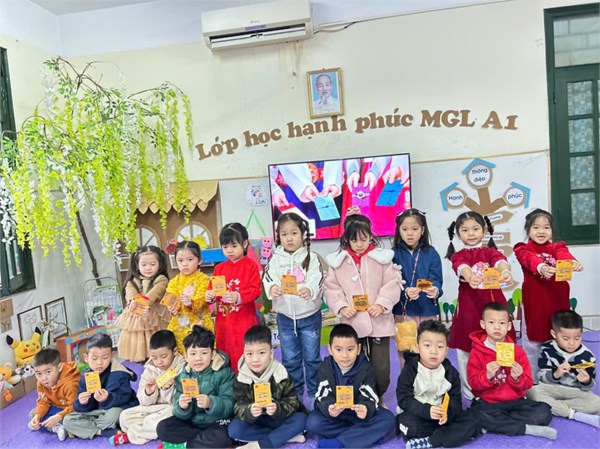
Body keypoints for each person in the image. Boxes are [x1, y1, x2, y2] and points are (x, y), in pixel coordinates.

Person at [324, 213, 402, 407]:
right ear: (347, 239)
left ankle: (379, 395)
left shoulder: (382, 259)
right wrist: (342, 306)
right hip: (352, 321)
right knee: (352, 361)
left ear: (370, 237)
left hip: (379, 320)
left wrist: (382, 303)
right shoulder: (338, 262)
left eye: (363, 239)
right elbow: (331, 288)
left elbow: (392, 283)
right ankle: (358, 397)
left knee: (381, 365)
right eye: (354, 240)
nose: (359, 244)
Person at [445, 211, 515, 398]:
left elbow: (500, 262)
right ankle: (471, 392)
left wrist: (505, 272)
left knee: (503, 343)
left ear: (484, 231)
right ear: (458, 234)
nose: (471, 234)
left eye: (475, 229)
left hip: (494, 305)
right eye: (465, 230)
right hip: (469, 307)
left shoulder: (490, 252)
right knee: (466, 347)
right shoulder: (458, 255)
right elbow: (462, 267)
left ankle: (507, 386)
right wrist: (470, 277)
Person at [467, 302, 556, 440]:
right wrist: (487, 375)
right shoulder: (476, 352)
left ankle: (498, 424)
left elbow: (528, 383)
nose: (497, 327)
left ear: (509, 326)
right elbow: (473, 383)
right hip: (489, 402)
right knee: (476, 414)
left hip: (515, 402)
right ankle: (525, 428)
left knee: (544, 412)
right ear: (483, 324)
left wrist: (517, 378)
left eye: (502, 323)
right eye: (491, 322)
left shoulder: (517, 351)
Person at [262, 212, 324, 405]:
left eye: (294, 233)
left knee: (312, 358)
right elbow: (268, 278)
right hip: (285, 318)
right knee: (290, 359)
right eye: (284, 234)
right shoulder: (274, 259)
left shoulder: (312, 257)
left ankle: (314, 394)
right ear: (278, 236)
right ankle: (295, 395)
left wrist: (309, 289)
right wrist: (272, 288)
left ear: (303, 234)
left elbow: (317, 278)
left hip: (309, 316)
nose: (289, 238)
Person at [514, 209, 584, 378]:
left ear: (552, 230)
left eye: (546, 227)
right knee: (533, 342)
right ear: (528, 230)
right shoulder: (523, 248)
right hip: (535, 304)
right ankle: (532, 379)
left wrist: (573, 263)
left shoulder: (557, 247)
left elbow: (564, 255)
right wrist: (542, 267)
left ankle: (559, 377)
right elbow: (529, 260)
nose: (541, 231)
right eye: (536, 227)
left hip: (558, 304)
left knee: (560, 339)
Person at [306, 323, 395, 448]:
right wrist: (329, 407)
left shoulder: (366, 368)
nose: (345, 355)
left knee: (388, 419)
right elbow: (322, 395)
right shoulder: (325, 368)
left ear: (358, 349)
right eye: (338, 350)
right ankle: (365, 436)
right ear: (330, 349)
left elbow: (370, 395)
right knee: (312, 422)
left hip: (358, 415)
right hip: (337, 415)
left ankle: (340, 442)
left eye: (350, 349)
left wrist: (365, 408)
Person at [396, 320, 480, 449]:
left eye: (440, 347)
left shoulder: (451, 373)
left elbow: (455, 401)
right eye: (427, 345)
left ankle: (431, 440)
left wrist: (447, 413)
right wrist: (426, 411)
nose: (434, 351)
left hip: (440, 417)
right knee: (411, 425)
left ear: (446, 350)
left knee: (472, 420)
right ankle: (444, 436)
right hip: (418, 414)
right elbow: (404, 399)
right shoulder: (410, 370)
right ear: (418, 347)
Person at [228, 325, 308, 449]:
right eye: (249, 354)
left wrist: (277, 408)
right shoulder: (241, 378)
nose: (255, 359)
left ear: (271, 353)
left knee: (302, 419)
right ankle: (284, 437)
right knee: (234, 429)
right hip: (256, 422)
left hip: (278, 419)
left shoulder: (281, 373)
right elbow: (238, 406)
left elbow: (292, 402)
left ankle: (262, 444)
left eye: (261, 353)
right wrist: (249, 411)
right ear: (243, 353)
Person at [156, 325, 234, 449]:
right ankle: (201, 442)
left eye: (204, 353)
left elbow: (229, 404)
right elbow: (177, 410)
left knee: (224, 435)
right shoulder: (183, 375)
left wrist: (211, 403)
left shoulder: (224, 373)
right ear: (186, 356)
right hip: (193, 423)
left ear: (213, 354)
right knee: (163, 428)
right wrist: (182, 407)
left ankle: (187, 445)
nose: (198, 358)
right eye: (193, 353)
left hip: (216, 422)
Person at [527, 310, 600, 428]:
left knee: (597, 403)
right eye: (566, 338)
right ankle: (573, 414)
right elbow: (541, 376)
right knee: (532, 391)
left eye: (577, 338)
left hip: (576, 392)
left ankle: (555, 407)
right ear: (554, 334)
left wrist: (586, 381)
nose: (572, 343)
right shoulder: (546, 349)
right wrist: (556, 374)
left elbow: (590, 386)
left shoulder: (588, 356)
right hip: (551, 388)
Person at [113, 330, 186, 446]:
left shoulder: (182, 368)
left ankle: (131, 436)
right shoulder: (150, 369)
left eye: (164, 356)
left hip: (169, 408)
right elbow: (143, 402)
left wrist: (167, 389)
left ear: (175, 352)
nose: (159, 362)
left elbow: (177, 403)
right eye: (155, 358)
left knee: (170, 413)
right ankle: (146, 430)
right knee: (124, 417)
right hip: (152, 410)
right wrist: (148, 393)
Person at [206, 223, 261, 372]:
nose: (229, 250)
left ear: (245, 244)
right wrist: (210, 296)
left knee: (245, 353)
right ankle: (227, 383)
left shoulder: (251, 266)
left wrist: (239, 297)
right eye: (225, 247)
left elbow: (256, 291)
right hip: (224, 322)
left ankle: (246, 381)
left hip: (244, 321)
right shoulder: (219, 268)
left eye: (234, 246)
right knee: (224, 355)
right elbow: (213, 290)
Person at [392, 209, 443, 368]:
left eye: (414, 229)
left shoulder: (431, 253)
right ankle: (408, 380)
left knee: (430, 348)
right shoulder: (392, 254)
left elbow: (437, 279)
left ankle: (430, 379)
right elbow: (391, 282)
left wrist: (436, 290)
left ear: (422, 230)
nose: (410, 233)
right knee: (406, 349)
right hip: (404, 311)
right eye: (405, 229)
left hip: (428, 309)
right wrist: (405, 291)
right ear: (399, 230)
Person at [63, 333, 138, 440]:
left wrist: (107, 399)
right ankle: (101, 432)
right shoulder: (86, 377)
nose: (99, 362)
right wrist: (82, 403)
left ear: (112, 356)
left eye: (105, 357)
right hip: (97, 412)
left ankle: (84, 429)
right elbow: (79, 407)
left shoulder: (120, 373)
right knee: (67, 420)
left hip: (115, 410)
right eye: (94, 358)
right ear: (86, 358)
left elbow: (125, 398)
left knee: (115, 415)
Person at [115, 245, 170, 362]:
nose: (148, 268)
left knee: (154, 341)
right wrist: (132, 301)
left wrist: (144, 303)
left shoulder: (162, 279)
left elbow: (155, 293)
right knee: (136, 341)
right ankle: (138, 363)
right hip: (136, 315)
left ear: (160, 264)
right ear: (137, 265)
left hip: (153, 315)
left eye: (153, 264)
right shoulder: (132, 281)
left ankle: (156, 360)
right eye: (144, 265)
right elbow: (130, 291)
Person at [165, 240, 213, 355]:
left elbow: (203, 300)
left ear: (199, 260)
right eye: (180, 260)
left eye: (190, 260)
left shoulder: (204, 279)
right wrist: (171, 307)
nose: (185, 264)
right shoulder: (174, 281)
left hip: (199, 325)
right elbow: (170, 298)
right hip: (179, 325)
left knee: (199, 353)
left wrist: (191, 302)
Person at [28, 348, 81, 441]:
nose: (43, 378)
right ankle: (57, 427)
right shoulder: (41, 382)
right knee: (33, 414)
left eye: (48, 372)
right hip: (57, 407)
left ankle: (60, 426)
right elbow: (43, 402)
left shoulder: (70, 384)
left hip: (73, 410)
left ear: (59, 367)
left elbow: (76, 407)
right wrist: (37, 416)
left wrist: (59, 416)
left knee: (75, 420)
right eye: (38, 373)